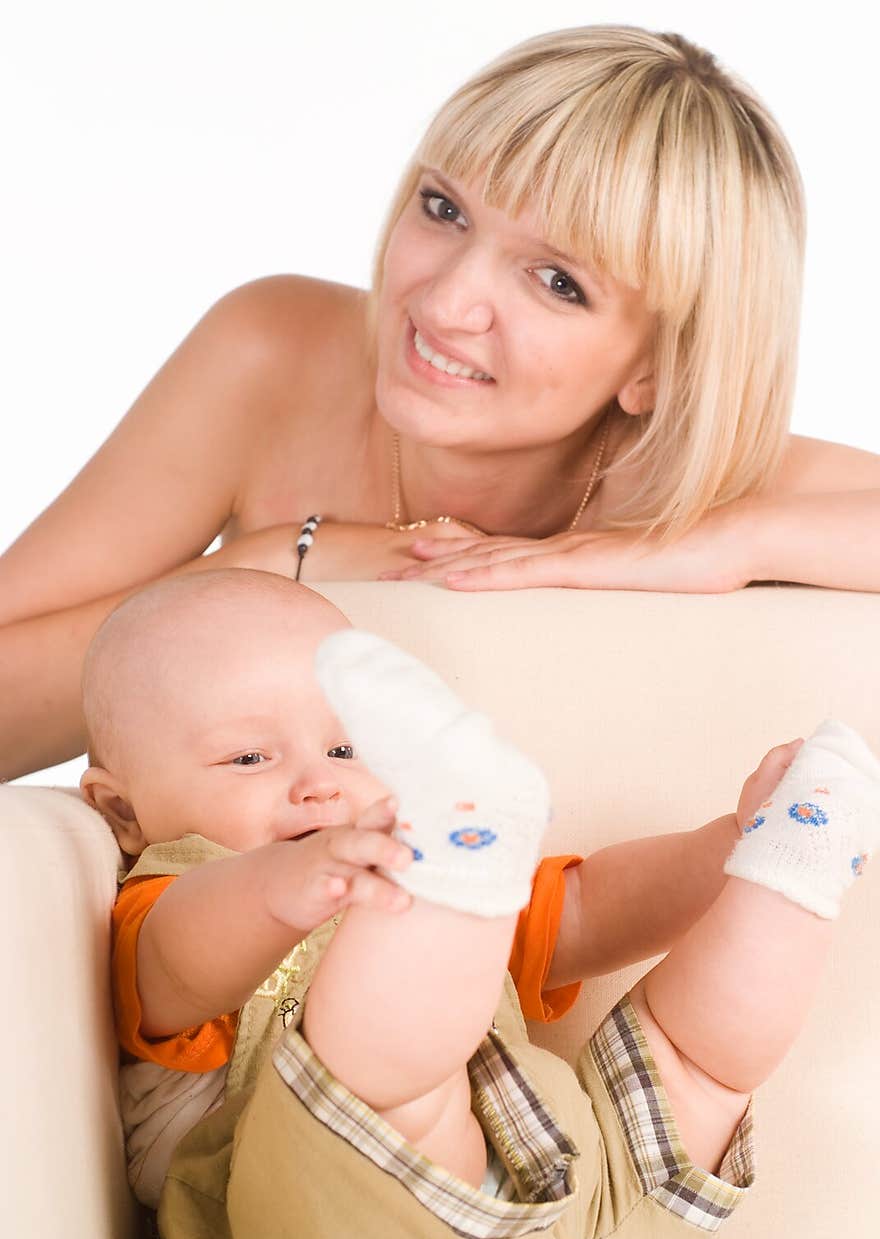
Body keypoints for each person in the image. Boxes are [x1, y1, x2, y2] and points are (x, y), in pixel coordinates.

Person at [2, 25, 878, 785]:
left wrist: (723, 544)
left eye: (556, 281)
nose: (445, 301)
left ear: (656, 370)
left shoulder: (701, 478)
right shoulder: (271, 353)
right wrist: (287, 565)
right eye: (445, 208)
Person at [79, 568, 880, 1239]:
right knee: (402, 1086)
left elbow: (592, 907)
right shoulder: (175, 896)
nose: (318, 782)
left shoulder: (435, 870)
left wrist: (726, 842)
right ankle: (788, 866)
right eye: (249, 756)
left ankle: (787, 856)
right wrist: (287, 883)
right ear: (121, 812)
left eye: (348, 747)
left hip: (601, 1215)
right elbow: (185, 956)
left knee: (692, 1061)